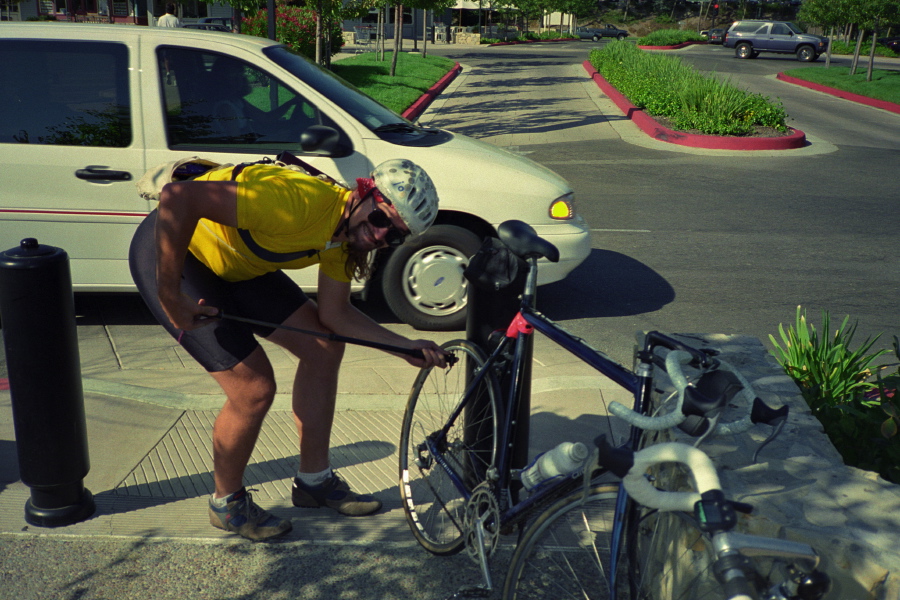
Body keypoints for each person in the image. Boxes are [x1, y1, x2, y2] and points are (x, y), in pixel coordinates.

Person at [129, 159, 448, 541]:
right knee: (253, 388)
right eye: (382, 219)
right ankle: (226, 504)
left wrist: (403, 346)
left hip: (238, 268)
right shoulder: (296, 202)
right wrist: (171, 296)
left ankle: (314, 482)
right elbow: (178, 197)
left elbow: (335, 314)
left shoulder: (344, 237)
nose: (381, 236)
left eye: (395, 236)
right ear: (364, 193)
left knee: (324, 350)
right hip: (181, 258)